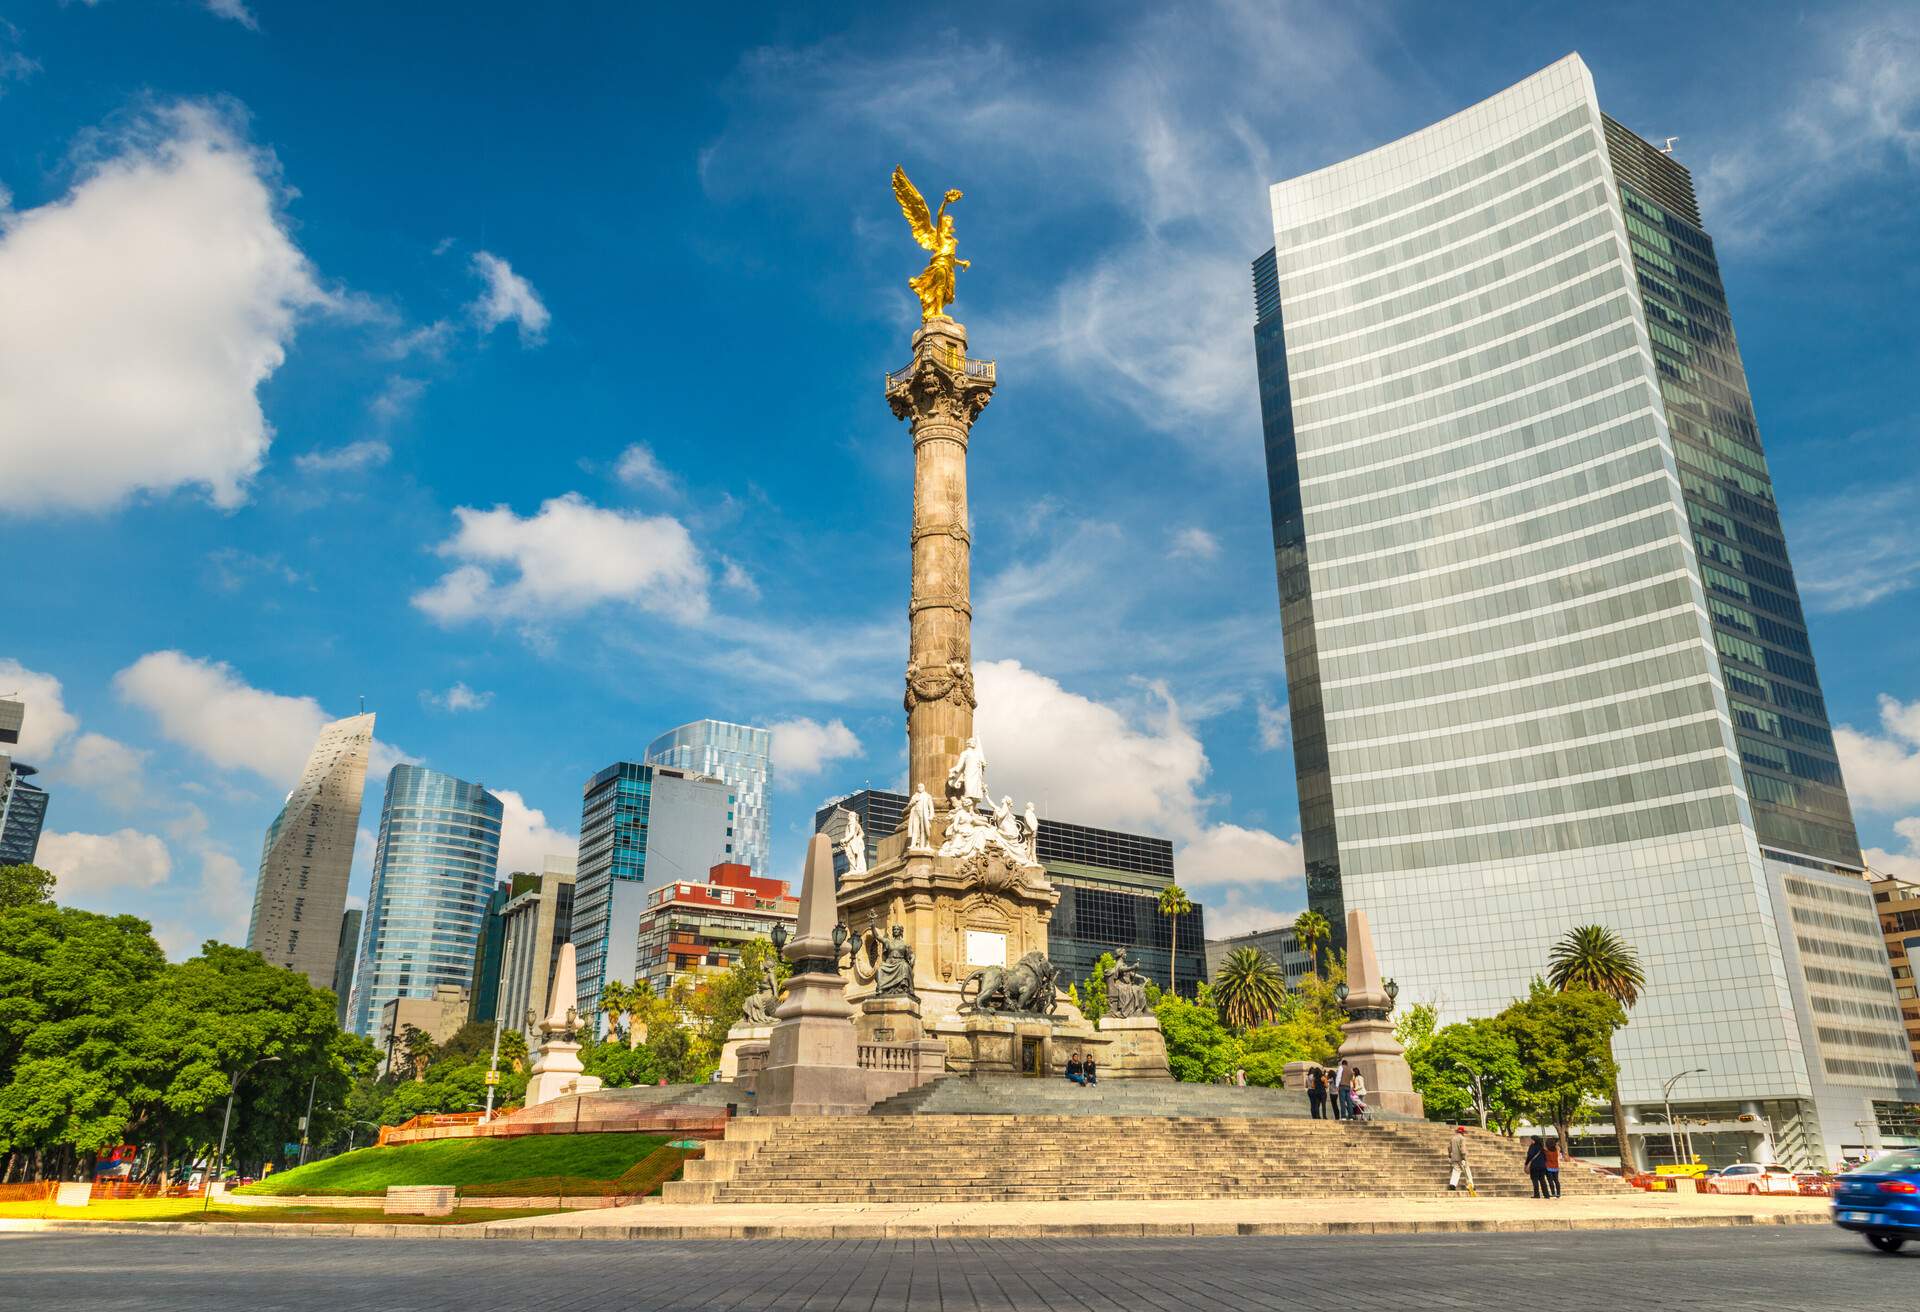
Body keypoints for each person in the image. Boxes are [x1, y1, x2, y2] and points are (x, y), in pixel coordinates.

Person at [1447, 1126, 1476, 1195]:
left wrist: (1450, 1155)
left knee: (1456, 1171)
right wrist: (1464, 1157)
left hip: (1454, 1158)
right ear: (1462, 1132)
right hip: (1461, 1158)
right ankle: (1470, 1185)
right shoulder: (1462, 1138)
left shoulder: (1453, 1138)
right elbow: (1462, 1149)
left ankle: (1452, 1184)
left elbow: (1449, 1148)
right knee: (1467, 1172)